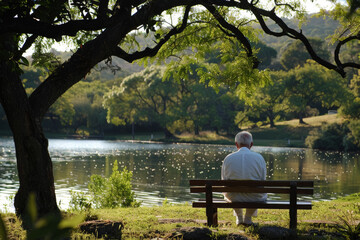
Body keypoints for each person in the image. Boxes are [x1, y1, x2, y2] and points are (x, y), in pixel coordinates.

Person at [221, 131, 267, 226]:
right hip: (254, 197)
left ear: (236, 144)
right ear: (251, 144)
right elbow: (263, 180)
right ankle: (247, 219)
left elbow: (224, 180)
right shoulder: (259, 158)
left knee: (229, 192)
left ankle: (239, 218)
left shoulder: (228, 158)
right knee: (260, 192)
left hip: (233, 196)